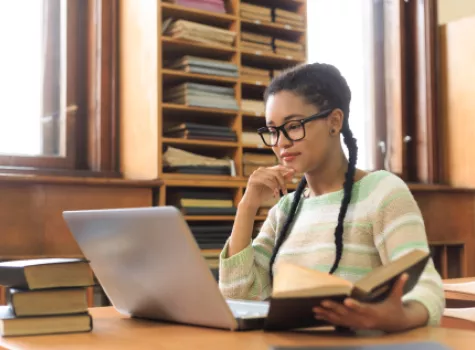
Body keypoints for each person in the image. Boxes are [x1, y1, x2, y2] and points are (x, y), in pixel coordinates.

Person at [218, 62, 445, 333]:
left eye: (292, 126)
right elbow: (239, 296)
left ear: (334, 121)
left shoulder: (382, 192)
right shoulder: (285, 210)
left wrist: (398, 317)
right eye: (273, 130)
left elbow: (427, 288)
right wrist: (247, 205)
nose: (281, 143)